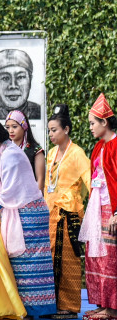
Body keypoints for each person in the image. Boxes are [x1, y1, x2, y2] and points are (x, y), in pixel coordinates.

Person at [0, 120, 56, 319]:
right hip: (26, 211)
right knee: (24, 264)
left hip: (29, 213)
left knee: (30, 264)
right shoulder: (6, 152)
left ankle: (36, 310)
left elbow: (9, 190)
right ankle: (29, 309)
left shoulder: (10, 155)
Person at [44, 104, 90, 319]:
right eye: (50, 131)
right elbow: (47, 184)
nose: (51, 134)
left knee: (69, 258)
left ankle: (69, 305)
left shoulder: (78, 153)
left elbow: (89, 181)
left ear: (67, 129)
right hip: (51, 212)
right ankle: (52, 303)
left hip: (69, 213)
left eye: (55, 130)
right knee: (51, 257)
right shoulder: (51, 153)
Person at [79, 93, 117, 320]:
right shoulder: (98, 147)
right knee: (97, 258)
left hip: (110, 209)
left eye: (93, 123)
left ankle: (113, 309)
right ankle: (103, 304)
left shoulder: (116, 146)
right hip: (97, 208)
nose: (91, 127)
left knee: (111, 259)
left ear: (105, 122)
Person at [0, 49, 41, 120]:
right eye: (5, 78)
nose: (13, 86)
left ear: (30, 81)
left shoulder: (40, 113)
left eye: (20, 77)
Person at [5, 110, 45, 193]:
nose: (11, 131)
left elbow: (40, 179)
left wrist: (36, 202)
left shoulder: (35, 150)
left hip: (30, 198)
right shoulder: (5, 149)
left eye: (14, 126)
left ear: (24, 126)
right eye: (8, 127)